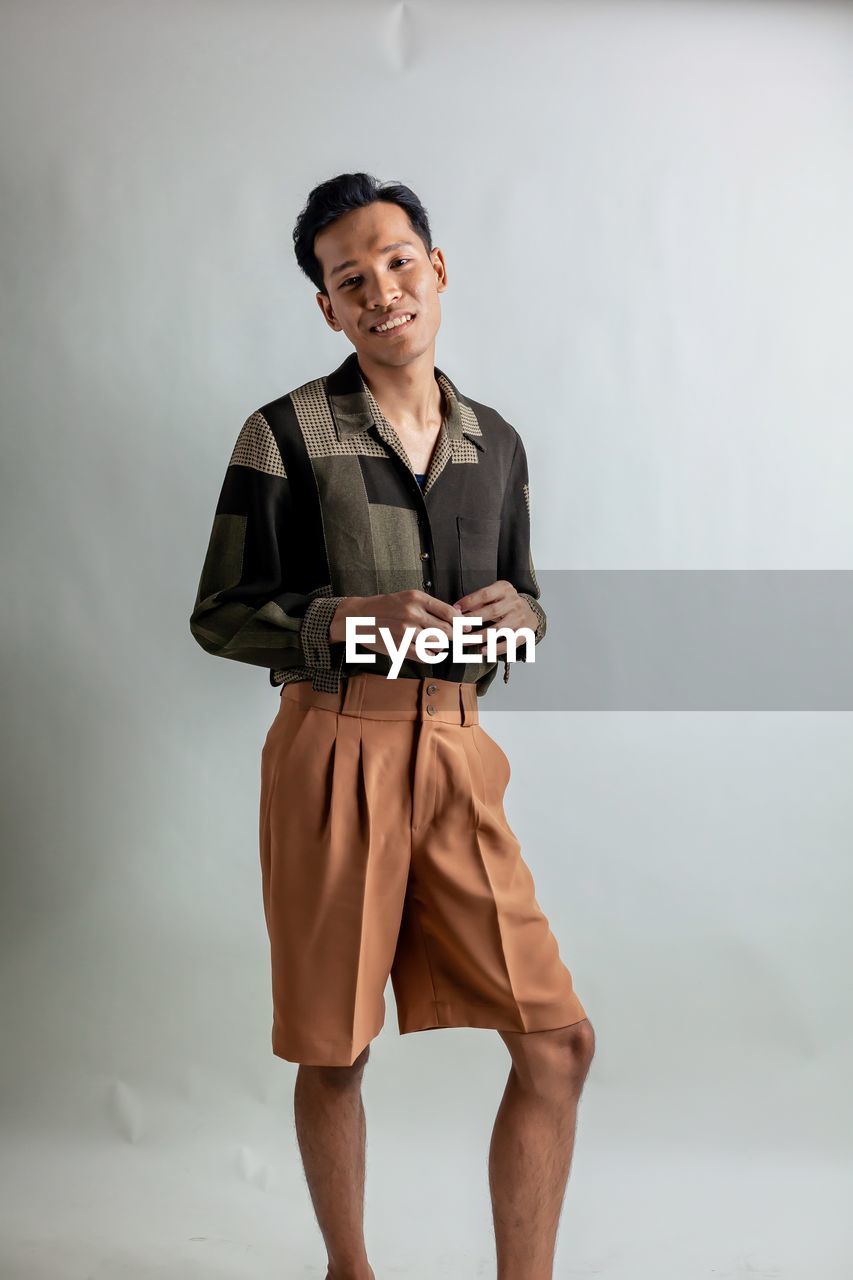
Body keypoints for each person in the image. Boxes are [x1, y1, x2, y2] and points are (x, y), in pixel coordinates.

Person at [189, 172, 595, 1280]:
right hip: (332, 749)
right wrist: (342, 619)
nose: (380, 289)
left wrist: (527, 617)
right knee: (336, 1046)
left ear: (438, 268)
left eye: (397, 261)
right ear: (327, 306)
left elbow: (518, 604)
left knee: (557, 1043)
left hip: (459, 753)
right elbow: (220, 614)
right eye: (349, 277)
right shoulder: (284, 434)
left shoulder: (493, 442)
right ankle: (348, 1270)